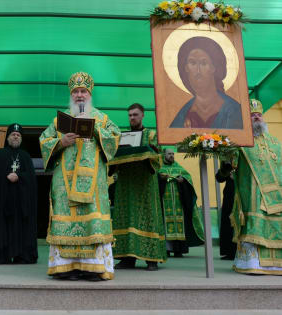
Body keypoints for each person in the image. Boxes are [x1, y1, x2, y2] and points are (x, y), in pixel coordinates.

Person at [39, 72, 120, 281]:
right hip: (64, 182)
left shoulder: (102, 118)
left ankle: (93, 267)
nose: (80, 95)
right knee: (67, 218)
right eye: (76, 92)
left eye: (83, 91)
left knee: (92, 221)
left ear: (89, 94)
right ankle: (66, 268)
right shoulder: (59, 120)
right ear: (71, 95)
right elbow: (43, 141)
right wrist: (61, 142)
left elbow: (115, 138)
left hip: (93, 183)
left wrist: (96, 130)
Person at [217, 99, 282, 274]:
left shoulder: (276, 143)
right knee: (255, 226)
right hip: (252, 197)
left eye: (259, 114)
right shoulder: (239, 144)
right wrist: (226, 163)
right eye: (252, 115)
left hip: (276, 197)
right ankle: (253, 264)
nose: (256, 118)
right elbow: (226, 169)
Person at [111, 103, 167, 271]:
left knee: (147, 216)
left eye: (135, 115)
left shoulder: (151, 135)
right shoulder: (121, 136)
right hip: (126, 183)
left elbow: (159, 156)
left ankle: (152, 259)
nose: (132, 118)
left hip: (144, 184)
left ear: (143, 115)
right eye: (130, 115)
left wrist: (148, 153)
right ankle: (127, 258)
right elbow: (113, 156)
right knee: (126, 217)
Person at [0, 123, 38, 264]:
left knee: (21, 228)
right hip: (3, 202)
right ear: (7, 137)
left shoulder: (26, 157)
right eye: (13, 134)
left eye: (18, 135)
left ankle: (22, 255)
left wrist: (19, 176)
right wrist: (6, 176)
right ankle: (2, 255)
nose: (16, 136)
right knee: (3, 227)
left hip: (21, 204)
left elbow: (32, 179)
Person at [170, 36, 242, 129]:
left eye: (204, 63)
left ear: (214, 68)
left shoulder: (233, 109)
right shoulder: (184, 114)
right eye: (192, 63)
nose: (198, 70)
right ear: (186, 68)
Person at [158, 149, 204, 257]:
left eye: (173, 154)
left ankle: (179, 250)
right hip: (165, 203)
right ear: (164, 155)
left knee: (180, 226)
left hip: (178, 204)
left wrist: (183, 180)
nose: (171, 156)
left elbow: (188, 179)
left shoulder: (179, 168)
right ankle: (167, 249)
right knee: (165, 225)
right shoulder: (160, 169)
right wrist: (161, 179)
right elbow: (155, 181)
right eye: (169, 154)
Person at [215, 163, 237, 260]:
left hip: (243, 195)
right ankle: (229, 252)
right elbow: (219, 178)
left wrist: (236, 177)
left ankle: (238, 251)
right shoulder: (229, 163)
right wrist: (225, 169)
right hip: (229, 197)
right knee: (227, 223)